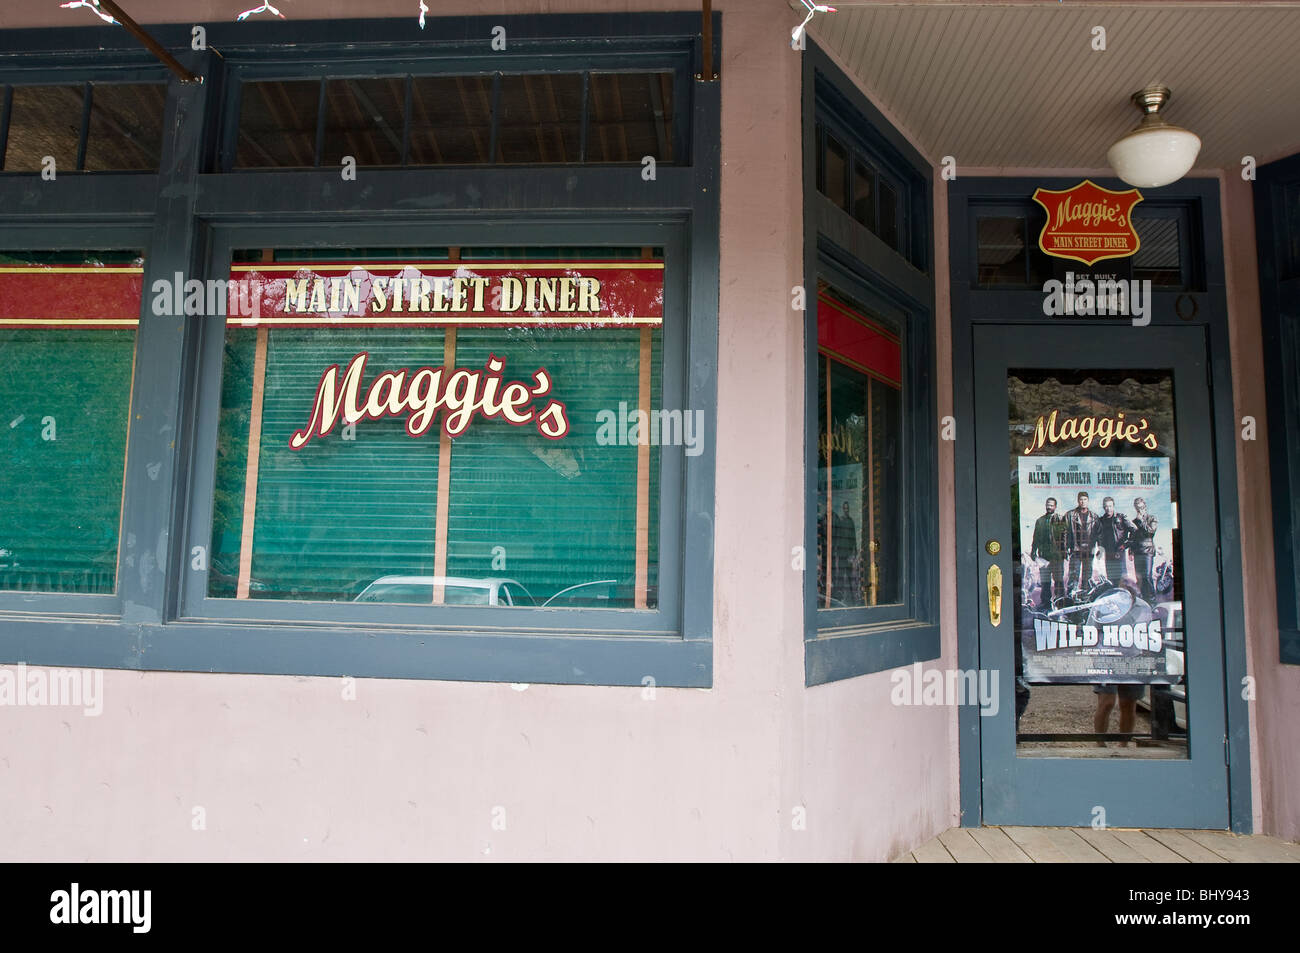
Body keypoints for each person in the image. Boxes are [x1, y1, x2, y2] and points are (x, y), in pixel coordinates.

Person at [1029, 496, 1064, 608]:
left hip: (1057, 556)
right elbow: (1036, 538)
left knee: (1058, 580)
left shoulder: (1061, 520)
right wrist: (1033, 551)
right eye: (1047, 505)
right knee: (1045, 582)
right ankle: (1045, 603)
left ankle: (1060, 602)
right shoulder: (1040, 521)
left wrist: (1065, 551)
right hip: (1043, 556)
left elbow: (1066, 536)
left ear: (1055, 507)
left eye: (1051, 505)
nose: (1049, 507)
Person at [1094, 496, 1134, 586]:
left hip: (1119, 551)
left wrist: (1125, 545)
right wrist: (1100, 549)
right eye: (1106, 506)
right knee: (1111, 578)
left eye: (1110, 506)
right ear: (1104, 507)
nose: (1108, 508)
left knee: (1122, 578)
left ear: (1113, 506)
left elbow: (1135, 531)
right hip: (1108, 552)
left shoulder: (1121, 517)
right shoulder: (1101, 521)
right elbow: (1098, 536)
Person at [1064, 491, 1098, 595]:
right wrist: (1065, 548)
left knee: (1087, 576)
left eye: (1085, 499)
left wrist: (1099, 548)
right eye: (1081, 499)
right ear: (1078, 501)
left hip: (1089, 550)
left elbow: (1099, 533)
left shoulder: (1094, 517)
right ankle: (1070, 597)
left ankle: (1085, 597)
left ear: (1088, 501)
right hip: (1075, 550)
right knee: (1074, 575)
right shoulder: (1070, 515)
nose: (1083, 502)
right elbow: (1064, 532)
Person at [1130, 497, 1159, 601]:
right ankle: (1143, 599)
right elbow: (1132, 537)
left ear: (1145, 507)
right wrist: (1131, 551)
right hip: (1137, 552)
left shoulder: (1152, 518)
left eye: (1141, 508)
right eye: (1137, 509)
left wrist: (1141, 520)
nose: (1140, 510)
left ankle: (1152, 600)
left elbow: (1150, 533)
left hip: (1148, 551)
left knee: (1147, 576)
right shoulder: (1134, 521)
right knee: (1139, 578)